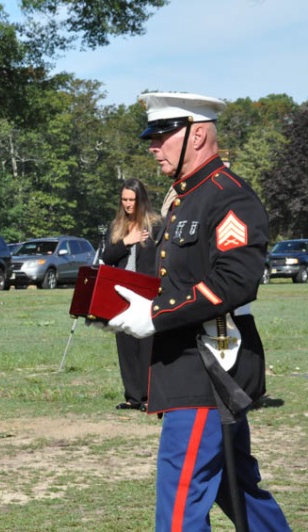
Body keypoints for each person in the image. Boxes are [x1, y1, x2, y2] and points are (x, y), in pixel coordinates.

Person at [106, 93, 290, 530]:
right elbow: (177, 277)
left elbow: (235, 281)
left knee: (181, 498)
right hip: (186, 364)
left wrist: (156, 315)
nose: (154, 147)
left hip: (207, 367)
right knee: (235, 487)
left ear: (199, 134)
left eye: (163, 136)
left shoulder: (228, 196)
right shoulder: (185, 199)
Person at [101, 178, 161, 412]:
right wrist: (127, 241)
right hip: (122, 292)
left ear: (141, 199)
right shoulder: (117, 226)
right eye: (124, 199)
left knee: (146, 343)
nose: (127, 204)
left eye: (132, 200)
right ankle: (132, 396)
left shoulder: (155, 225)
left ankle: (149, 397)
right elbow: (107, 257)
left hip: (146, 292)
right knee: (125, 343)